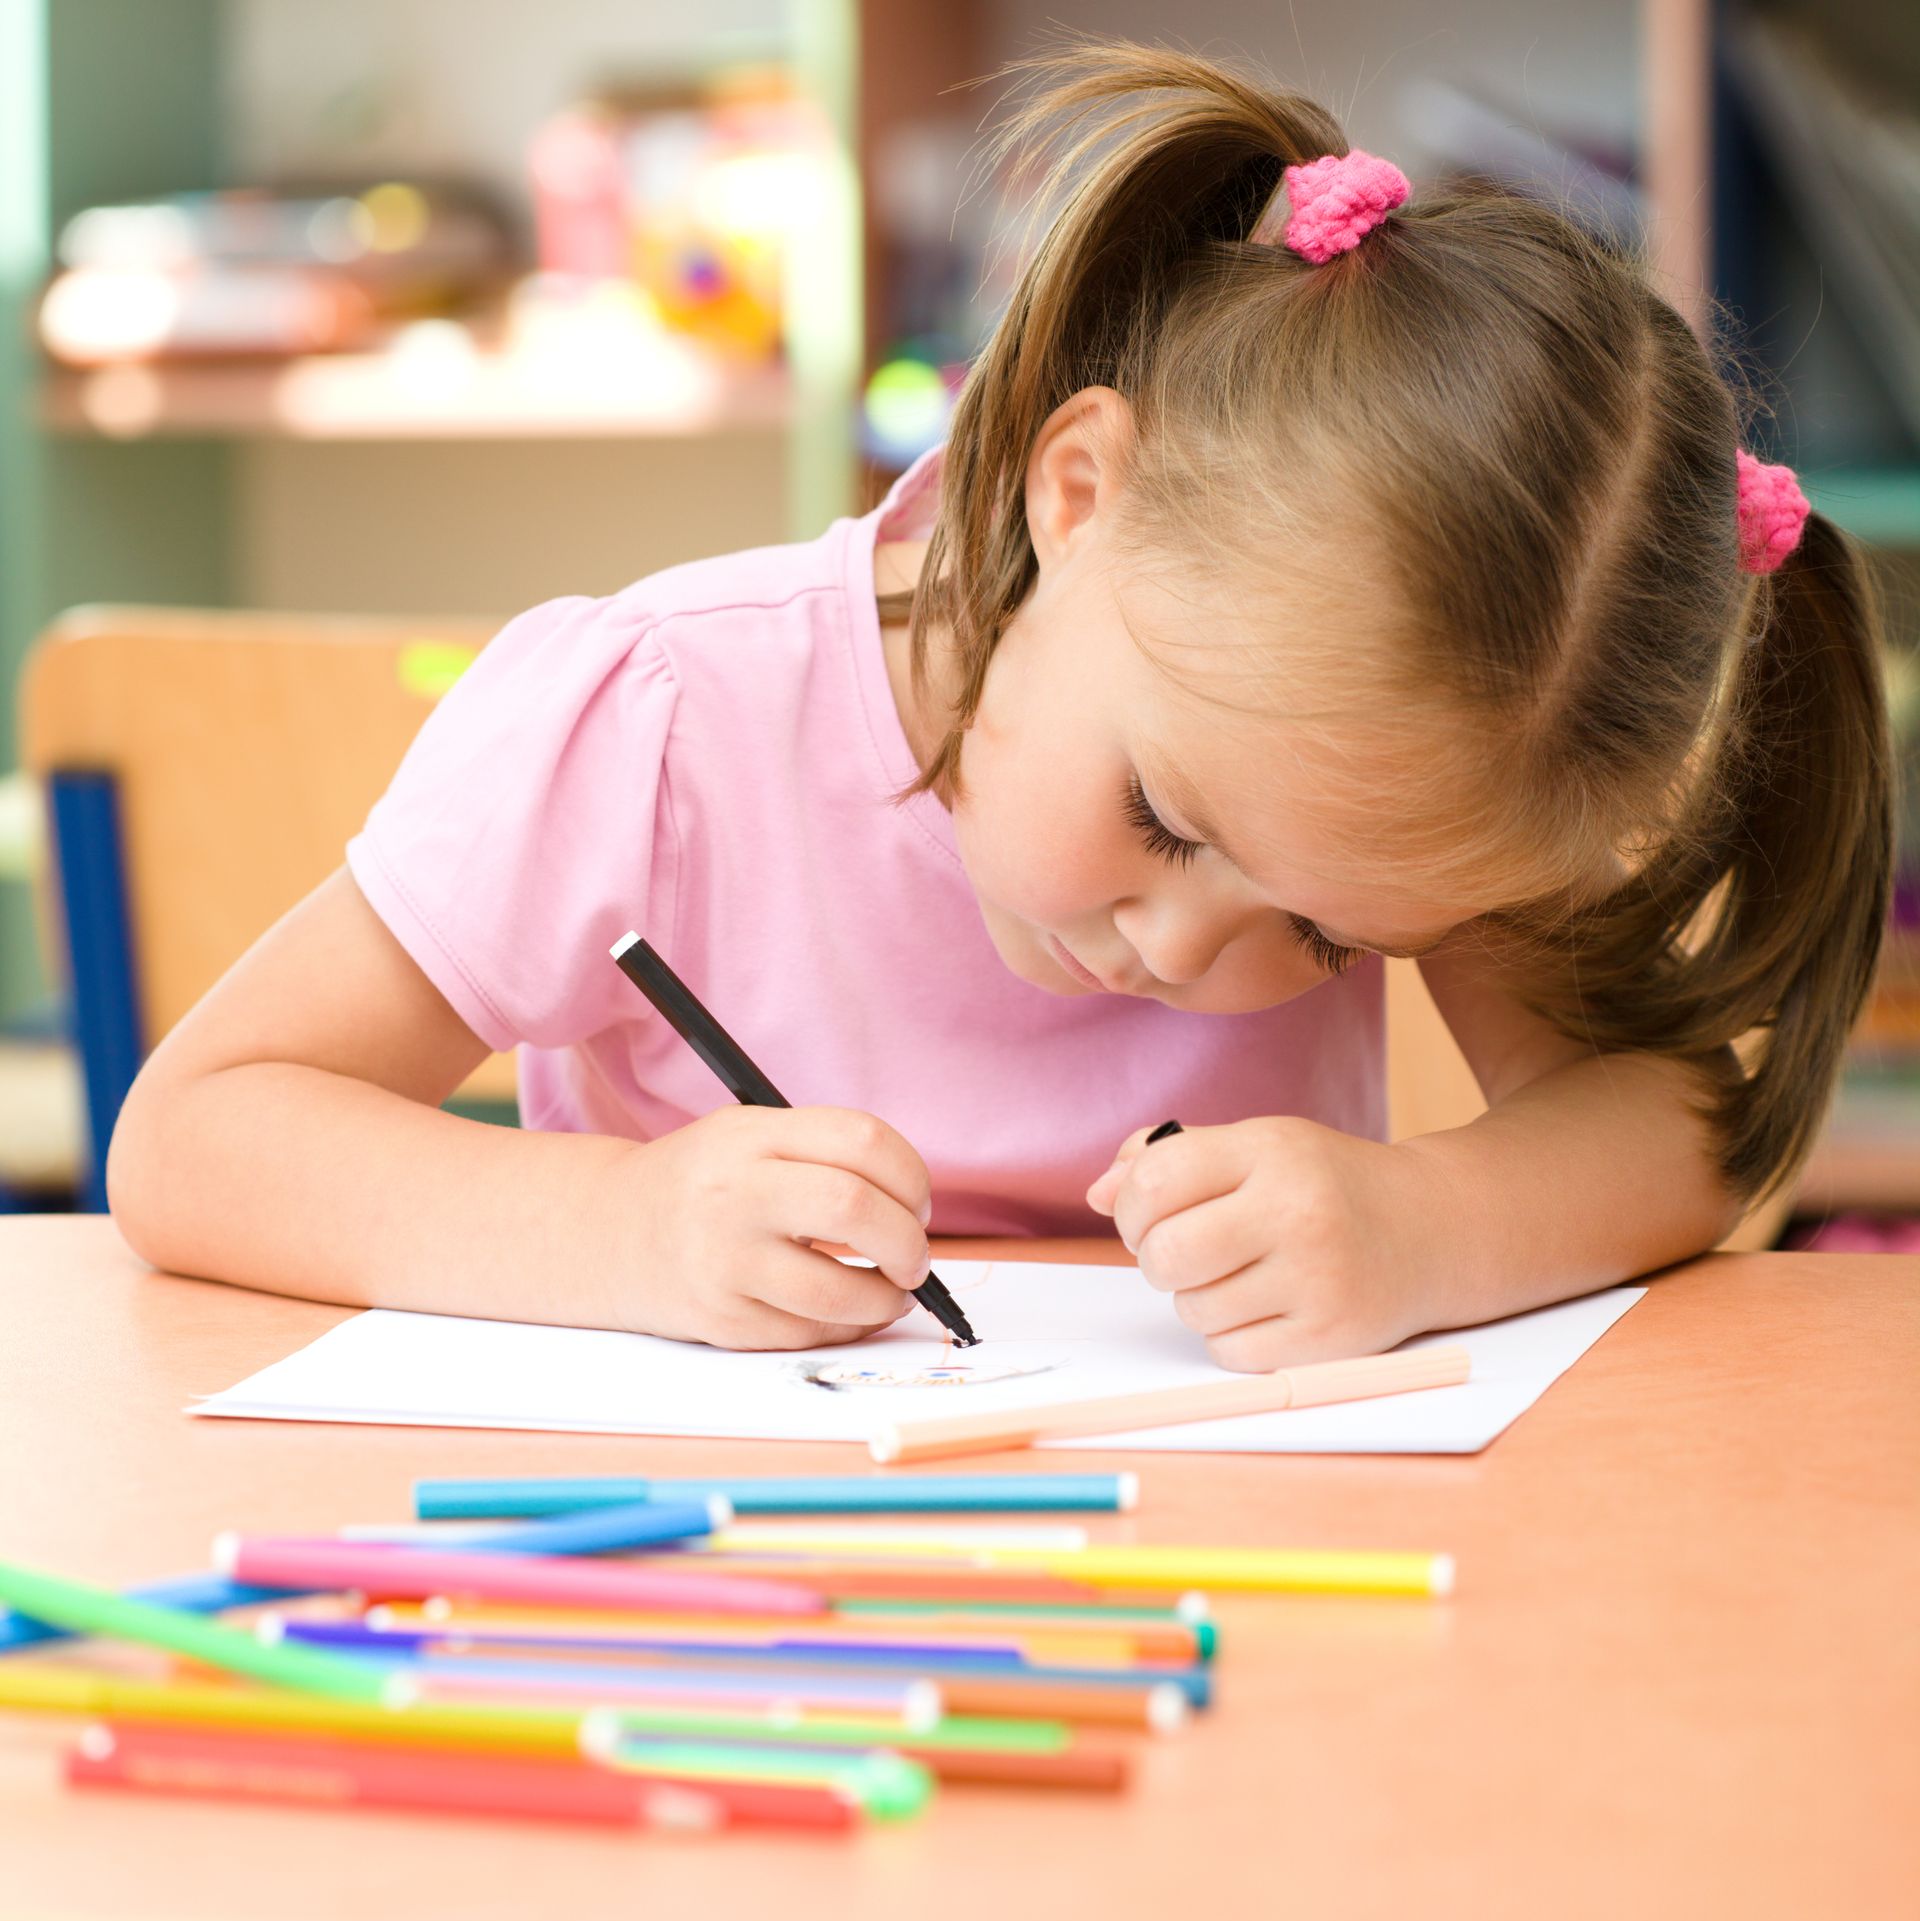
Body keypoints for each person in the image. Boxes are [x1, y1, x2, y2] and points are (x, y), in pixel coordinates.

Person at [107, 42, 1892, 1370]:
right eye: (1170, 821)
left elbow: (1676, 1136)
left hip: (1222, 1601)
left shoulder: (1409, 729)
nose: (1192, 950)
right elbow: (197, 1135)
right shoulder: (661, 716)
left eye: (1328, 938)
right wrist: (623, 1230)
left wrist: (1425, 1226)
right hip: (690, 1601)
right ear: (1077, 491)